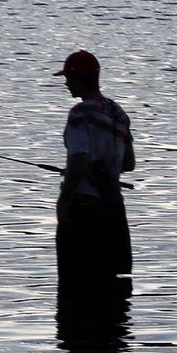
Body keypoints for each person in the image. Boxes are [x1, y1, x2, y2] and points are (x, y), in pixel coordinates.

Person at [54, 50, 133, 288]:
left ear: (78, 79)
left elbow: (78, 161)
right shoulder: (118, 114)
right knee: (112, 290)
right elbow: (128, 164)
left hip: (84, 210)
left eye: (68, 78)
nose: (67, 83)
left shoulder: (80, 114)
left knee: (75, 290)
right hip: (114, 211)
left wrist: (63, 202)